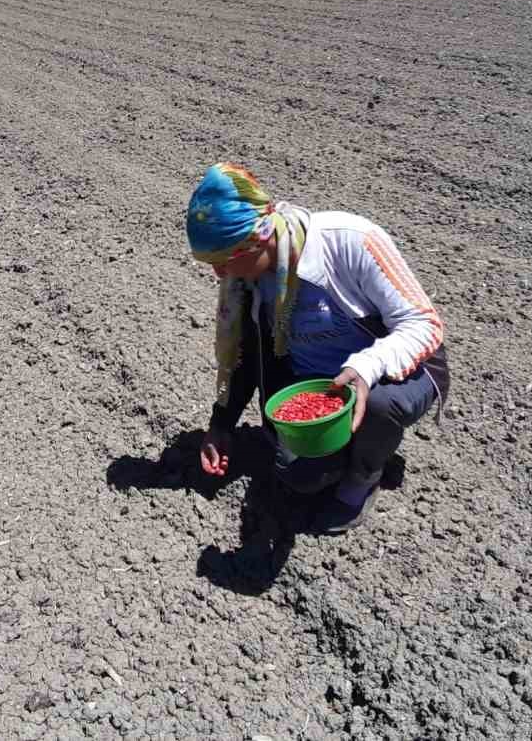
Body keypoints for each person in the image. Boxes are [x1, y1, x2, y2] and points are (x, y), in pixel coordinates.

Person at [186, 163, 448, 534]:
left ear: (258, 240)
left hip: (390, 372)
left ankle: (365, 475)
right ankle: (347, 447)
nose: (218, 276)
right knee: (298, 478)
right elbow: (245, 355)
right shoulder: (250, 280)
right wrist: (221, 426)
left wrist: (365, 368)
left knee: (379, 405)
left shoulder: (350, 240)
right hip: (316, 383)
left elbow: (425, 323)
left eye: (222, 262)